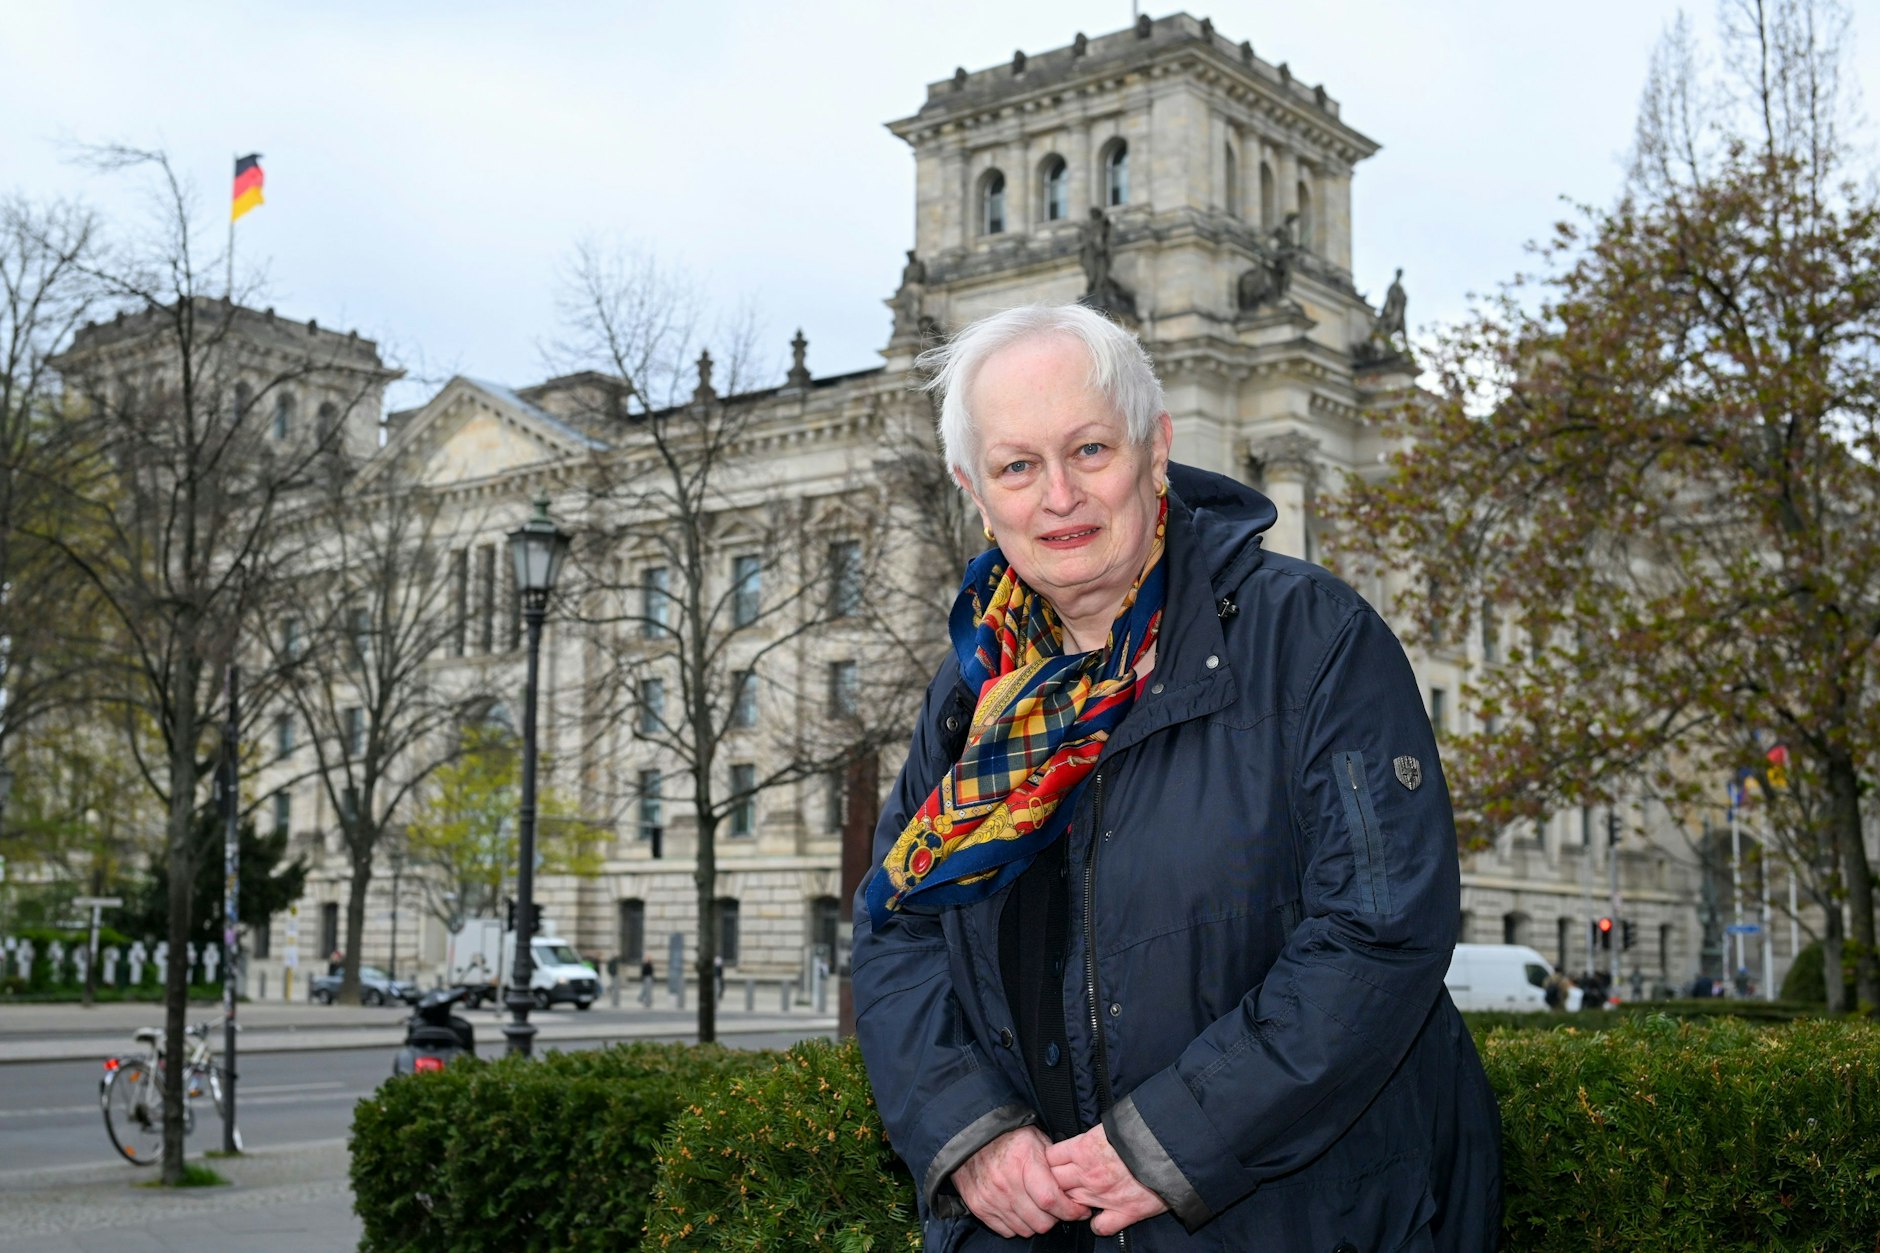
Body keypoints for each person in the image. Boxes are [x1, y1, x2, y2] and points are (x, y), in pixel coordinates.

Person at [852, 304, 1502, 1251]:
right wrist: (971, 1134)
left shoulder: (1311, 639)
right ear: (973, 490)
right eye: (1018, 466)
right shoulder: (972, 691)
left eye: (1090, 450)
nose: (1059, 496)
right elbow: (895, 924)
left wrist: (1169, 1140)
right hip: (1036, 1228)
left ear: (1156, 451)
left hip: (1292, 1218)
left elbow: (1379, 932)